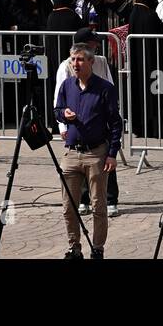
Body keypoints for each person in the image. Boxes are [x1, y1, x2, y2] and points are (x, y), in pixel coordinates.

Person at [53, 42, 124, 259]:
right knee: (69, 206)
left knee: (98, 206)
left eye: (80, 59)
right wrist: (64, 114)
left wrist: (112, 153)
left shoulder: (105, 88)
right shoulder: (67, 85)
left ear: (91, 62)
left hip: (96, 154)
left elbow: (115, 123)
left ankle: (98, 248)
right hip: (71, 153)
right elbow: (57, 110)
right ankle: (74, 247)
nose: (76, 64)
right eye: (73, 59)